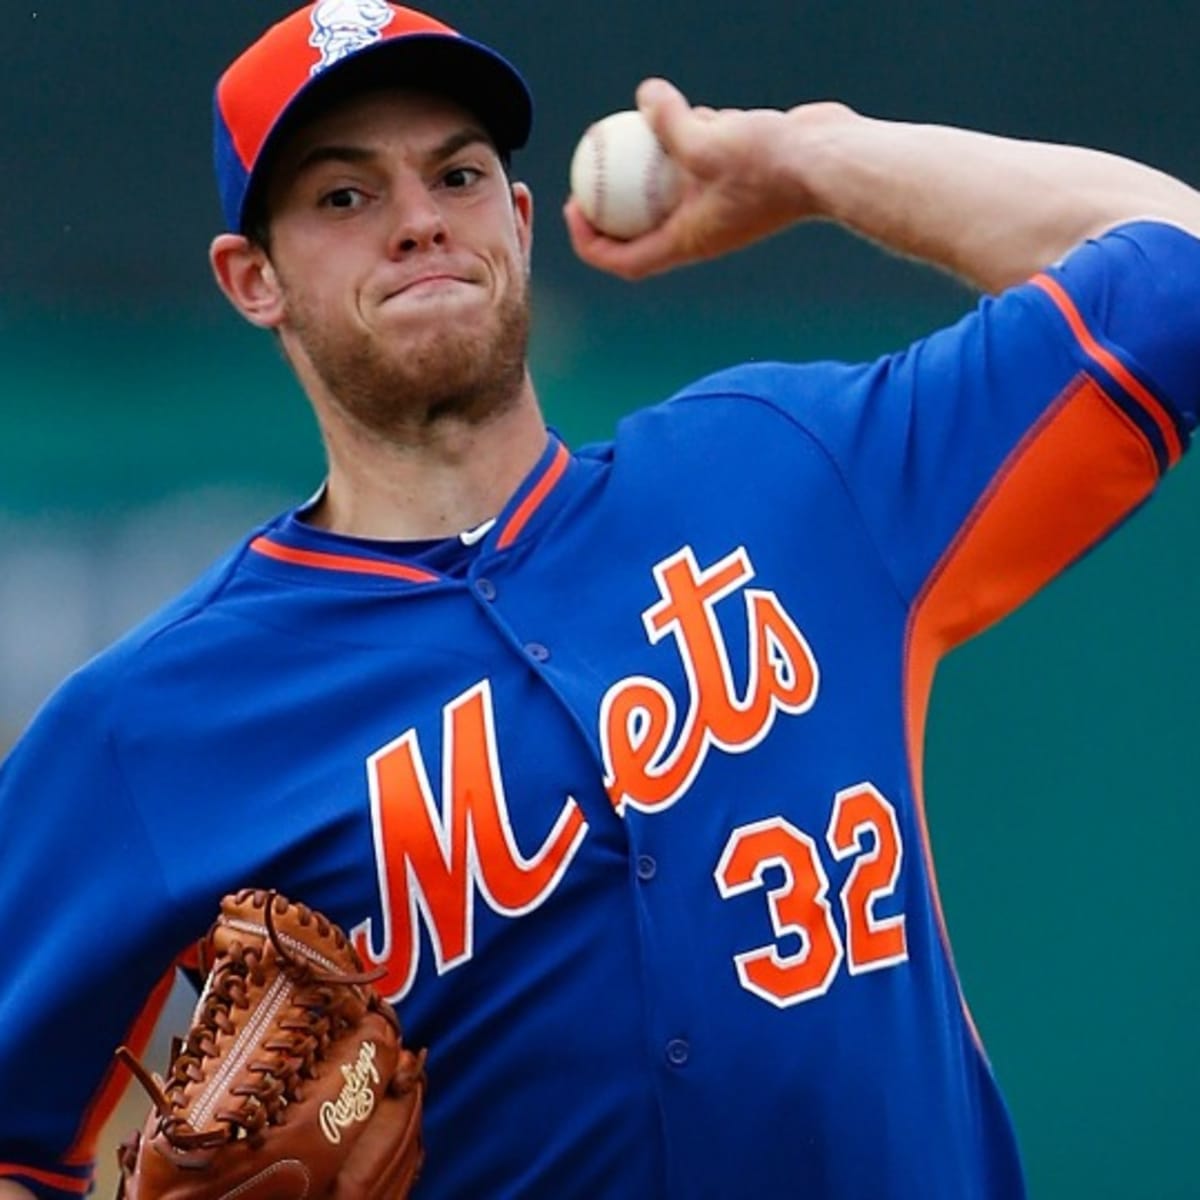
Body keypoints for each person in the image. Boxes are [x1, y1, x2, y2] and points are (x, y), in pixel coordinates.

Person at [2, 2, 1198, 1197]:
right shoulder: (152, 723)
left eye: (457, 175)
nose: (419, 222)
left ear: (518, 223)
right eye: (344, 197)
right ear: (251, 277)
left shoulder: (786, 475)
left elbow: (1174, 267)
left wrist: (813, 157)